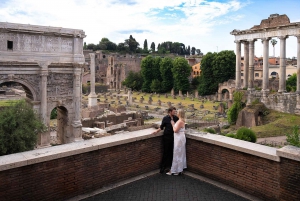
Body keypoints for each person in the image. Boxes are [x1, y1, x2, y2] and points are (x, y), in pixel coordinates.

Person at [152, 106, 179, 173]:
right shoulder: (165, 118)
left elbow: (178, 127)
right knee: (166, 152)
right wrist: (156, 131)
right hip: (167, 138)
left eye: (175, 111)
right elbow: (161, 127)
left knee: (172, 153)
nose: (175, 112)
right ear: (170, 112)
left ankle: (170, 167)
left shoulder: (176, 118)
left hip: (174, 138)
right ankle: (163, 167)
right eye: (174, 111)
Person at [166, 109, 187, 176]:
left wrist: (172, 124)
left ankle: (176, 170)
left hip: (179, 139)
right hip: (179, 138)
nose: (176, 113)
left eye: (177, 112)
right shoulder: (181, 121)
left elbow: (175, 130)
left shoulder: (180, 121)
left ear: (179, 114)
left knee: (177, 153)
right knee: (180, 153)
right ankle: (179, 169)